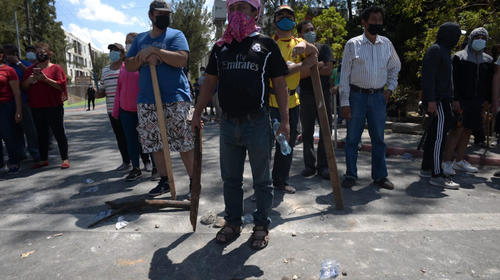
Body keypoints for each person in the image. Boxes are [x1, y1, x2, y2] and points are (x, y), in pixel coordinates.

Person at [192, 0, 289, 250]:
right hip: (228, 124)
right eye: (232, 9)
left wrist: (286, 121)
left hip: (257, 123)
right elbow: (209, 83)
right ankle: (233, 222)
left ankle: (261, 225)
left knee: (262, 181)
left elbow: (279, 84)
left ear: (255, 12)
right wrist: (197, 112)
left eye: (242, 8)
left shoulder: (266, 45)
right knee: (231, 179)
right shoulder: (221, 47)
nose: (236, 13)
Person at [125, 0, 194, 197]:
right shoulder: (140, 39)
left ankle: (192, 181)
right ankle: (165, 180)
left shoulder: (175, 35)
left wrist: (156, 52)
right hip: (147, 100)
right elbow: (129, 65)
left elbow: (181, 59)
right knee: (154, 142)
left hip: (175, 97)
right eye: (160, 13)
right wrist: (142, 57)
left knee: (183, 142)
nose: (164, 16)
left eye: (167, 13)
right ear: (151, 15)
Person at [339, 6, 401, 190]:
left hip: (377, 98)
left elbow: (395, 67)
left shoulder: (387, 44)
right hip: (356, 96)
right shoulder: (352, 44)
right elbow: (344, 76)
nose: (377, 23)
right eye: (373, 20)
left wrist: (390, 89)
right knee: (352, 139)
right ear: (364, 22)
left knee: (379, 139)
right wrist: (344, 102)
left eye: (379, 20)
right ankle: (351, 174)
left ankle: (380, 176)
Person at [270, 5, 318, 194]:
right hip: (271, 103)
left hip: (293, 102)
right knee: (265, 148)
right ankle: (263, 186)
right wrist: (302, 65)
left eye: (289, 16)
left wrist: (306, 46)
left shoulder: (298, 41)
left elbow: (315, 52)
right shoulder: (269, 44)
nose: (285, 18)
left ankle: (281, 180)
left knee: (287, 145)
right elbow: (282, 72)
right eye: (281, 15)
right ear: (275, 21)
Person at [441, 27, 494, 176]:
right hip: (461, 100)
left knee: (468, 130)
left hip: (478, 102)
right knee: (456, 131)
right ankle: (446, 162)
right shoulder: (459, 57)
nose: (480, 40)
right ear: (471, 39)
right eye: (478, 37)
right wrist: (455, 99)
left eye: (484, 38)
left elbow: (488, 83)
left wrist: (487, 101)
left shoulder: (488, 60)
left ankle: (459, 161)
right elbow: (453, 81)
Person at [420, 22, 462, 188]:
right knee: (439, 138)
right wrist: (431, 100)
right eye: (457, 35)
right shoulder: (436, 50)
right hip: (438, 101)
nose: (458, 39)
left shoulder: (444, 51)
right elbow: (428, 77)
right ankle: (437, 175)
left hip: (442, 100)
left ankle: (426, 168)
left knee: (433, 136)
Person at [113, 34, 156, 181]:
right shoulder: (124, 67)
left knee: (148, 140)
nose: (128, 45)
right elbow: (119, 89)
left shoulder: (144, 64)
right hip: (126, 111)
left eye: (131, 42)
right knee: (130, 141)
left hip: (143, 108)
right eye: (126, 43)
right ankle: (135, 168)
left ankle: (156, 167)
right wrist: (116, 109)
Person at [297, 20, 335, 180]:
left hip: (324, 94)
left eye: (312, 29)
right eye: (307, 30)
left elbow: (329, 70)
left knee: (326, 129)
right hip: (306, 95)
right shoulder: (297, 52)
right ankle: (309, 166)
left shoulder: (324, 48)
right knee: (307, 132)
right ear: (300, 34)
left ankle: (323, 166)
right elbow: (299, 74)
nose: (311, 32)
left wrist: (313, 67)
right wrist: (318, 65)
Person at [22, 42, 70, 169]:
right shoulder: (30, 70)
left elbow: (61, 85)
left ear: (49, 54)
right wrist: (30, 80)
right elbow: (24, 87)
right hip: (36, 107)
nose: (39, 53)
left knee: (58, 132)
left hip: (54, 105)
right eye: (37, 51)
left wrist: (45, 79)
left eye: (42, 51)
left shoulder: (56, 68)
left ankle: (64, 158)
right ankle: (43, 159)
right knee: (41, 134)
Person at [99, 43, 134, 173]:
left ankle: (145, 161)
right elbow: (102, 90)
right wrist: (98, 93)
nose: (112, 52)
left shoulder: (128, 67)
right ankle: (126, 161)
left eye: (116, 50)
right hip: (111, 110)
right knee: (120, 137)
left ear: (122, 53)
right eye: (111, 50)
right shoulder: (105, 70)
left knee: (134, 136)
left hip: (128, 107)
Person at [3, 44, 40, 163]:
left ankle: (35, 152)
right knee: (14, 130)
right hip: (9, 103)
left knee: (29, 129)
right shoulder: (5, 66)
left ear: (15, 54)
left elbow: (31, 75)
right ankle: (20, 153)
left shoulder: (25, 64)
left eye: (8, 54)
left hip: (24, 101)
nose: (6, 57)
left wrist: (18, 63)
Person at [0, 46, 23, 173]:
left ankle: (14, 161)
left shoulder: (9, 71)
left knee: (9, 135)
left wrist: (18, 111)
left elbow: (17, 92)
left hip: (6, 106)